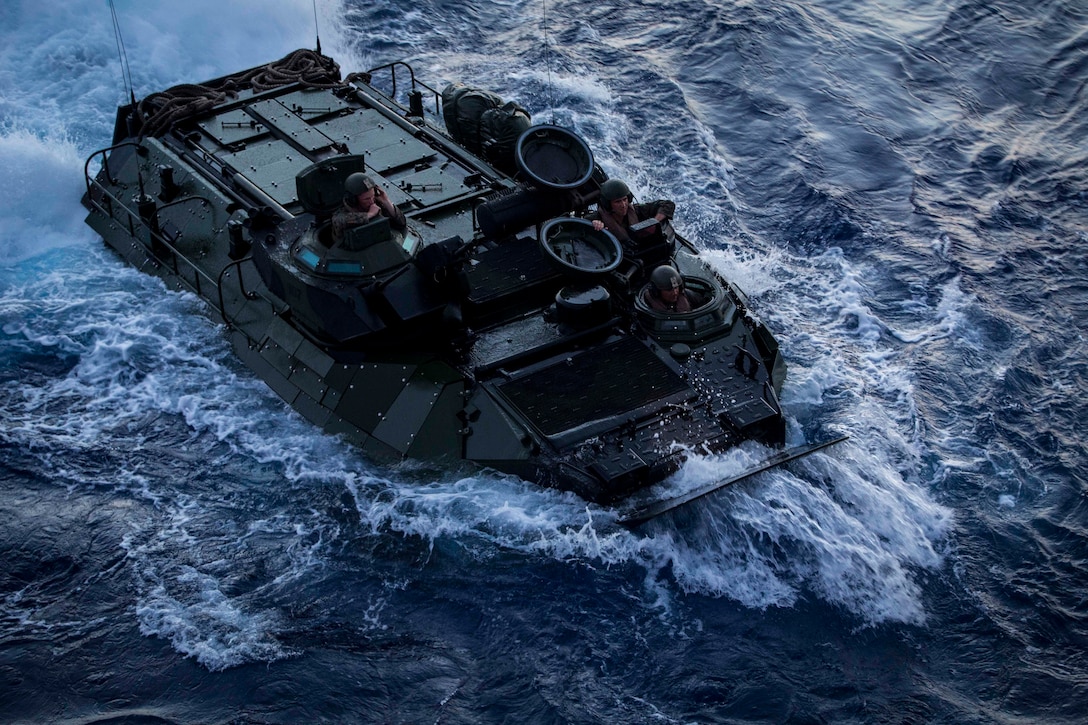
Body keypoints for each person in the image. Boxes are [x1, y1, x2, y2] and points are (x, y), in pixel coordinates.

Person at [588, 179, 675, 247]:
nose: (623, 205)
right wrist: (595, 225)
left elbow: (667, 205)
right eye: (618, 202)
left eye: (625, 199)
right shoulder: (598, 217)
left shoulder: (636, 210)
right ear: (608, 204)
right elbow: (581, 226)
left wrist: (654, 222)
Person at [331, 172, 407, 242]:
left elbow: (402, 223)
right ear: (354, 199)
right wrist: (369, 215)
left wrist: (386, 202)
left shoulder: (375, 203)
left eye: (373, 196)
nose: (371, 201)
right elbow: (339, 221)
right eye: (366, 199)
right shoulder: (342, 213)